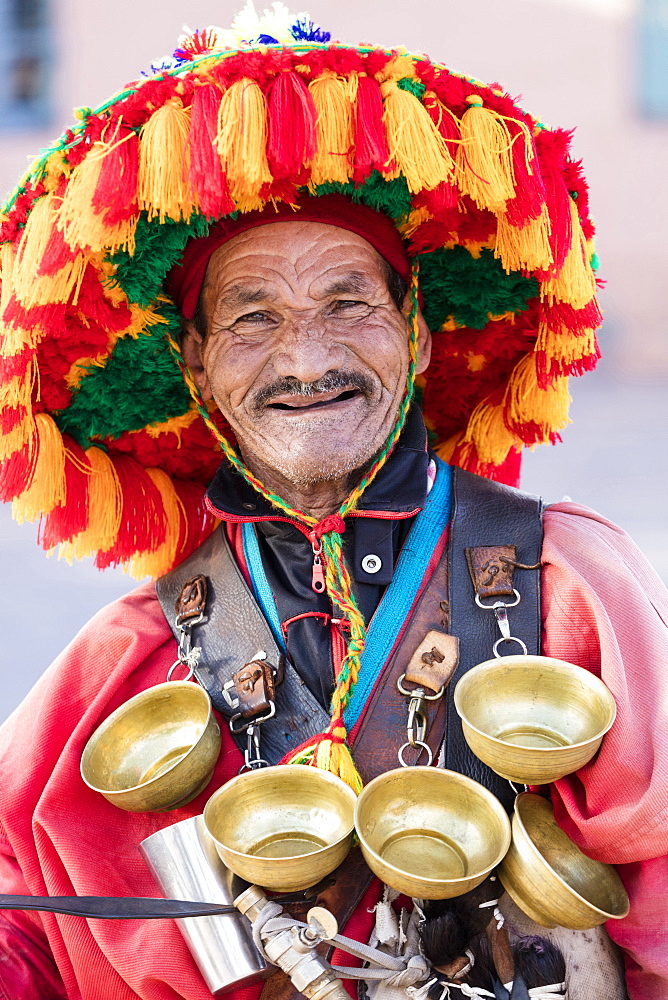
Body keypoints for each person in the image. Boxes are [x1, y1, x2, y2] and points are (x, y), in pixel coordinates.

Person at [0, 5, 666, 999]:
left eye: (347, 302)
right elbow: (26, 931)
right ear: (196, 368)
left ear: (419, 335)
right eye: (252, 318)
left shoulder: (566, 589)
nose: (306, 357)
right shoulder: (127, 660)